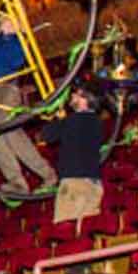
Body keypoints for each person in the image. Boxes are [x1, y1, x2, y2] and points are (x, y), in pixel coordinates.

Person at [0, 17, 57, 196]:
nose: (3, 24)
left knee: (12, 133)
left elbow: (16, 61)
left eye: (8, 21)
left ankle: (47, 173)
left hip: (4, 89)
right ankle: (16, 182)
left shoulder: (19, 41)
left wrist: (13, 35)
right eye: (3, 22)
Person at [42, 87, 103, 225]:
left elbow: (47, 135)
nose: (73, 96)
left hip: (73, 182)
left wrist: (55, 116)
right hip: (94, 182)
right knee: (85, 232)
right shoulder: (98, 122)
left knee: (65, 229)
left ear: (85, 100)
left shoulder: (72, 120)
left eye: (77, 95)